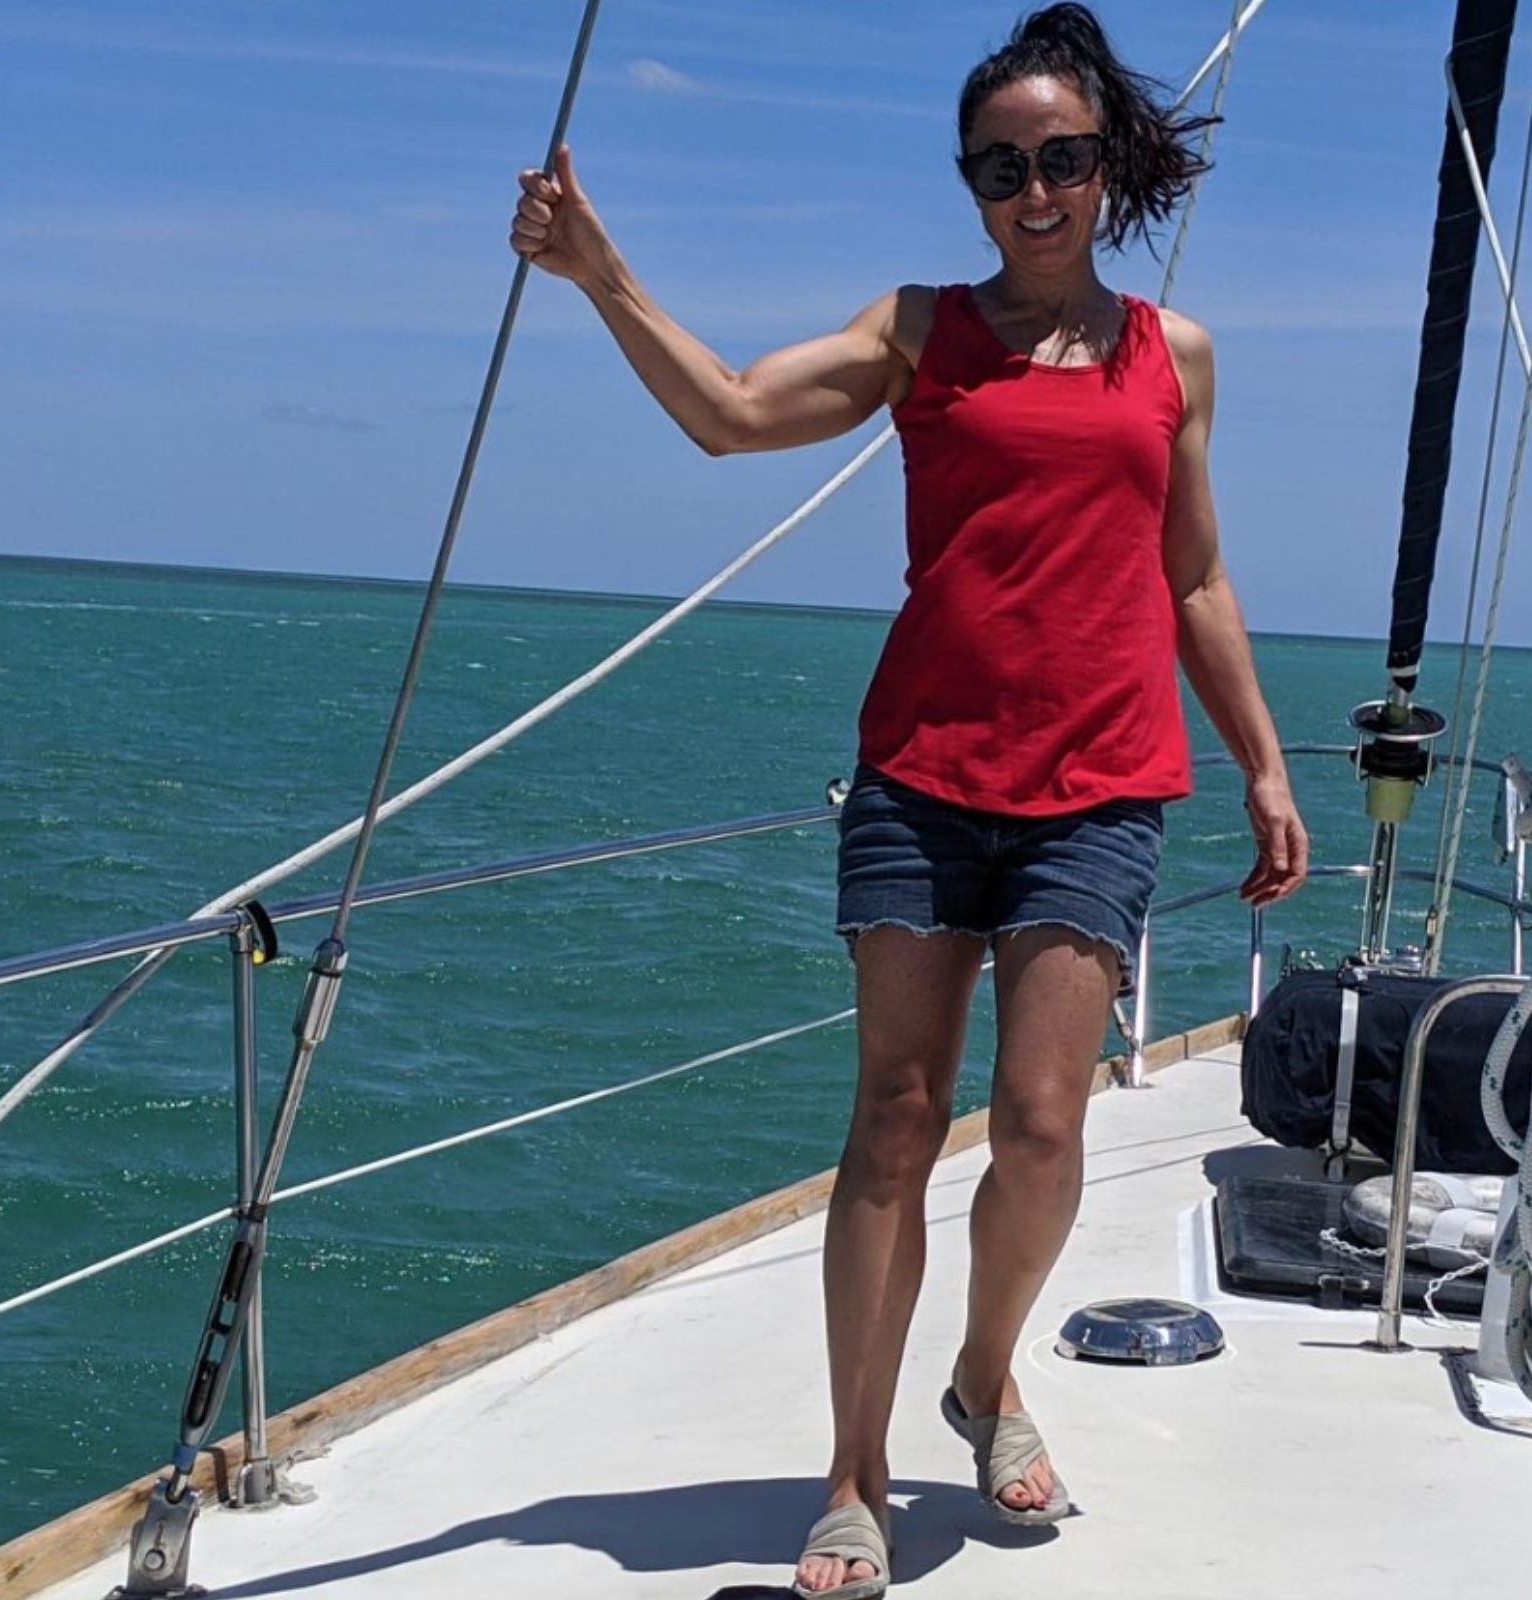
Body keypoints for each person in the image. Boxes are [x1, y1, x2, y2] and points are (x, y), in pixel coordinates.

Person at [510, 6, 1304, 1593]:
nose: (1034, 187)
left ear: (1109, 168)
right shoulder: (920, 332)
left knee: (1043, 1125)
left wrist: (1266, 764)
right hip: (923, 779)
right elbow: (733, 414)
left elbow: (1192, 568)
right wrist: (603, 276)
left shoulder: (1173, 356)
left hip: (1099, 787)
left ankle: (986, 1372)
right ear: (972, 178)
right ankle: (857, 1472)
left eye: (1063, 158)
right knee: (891, 1124)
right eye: (1002, 164)